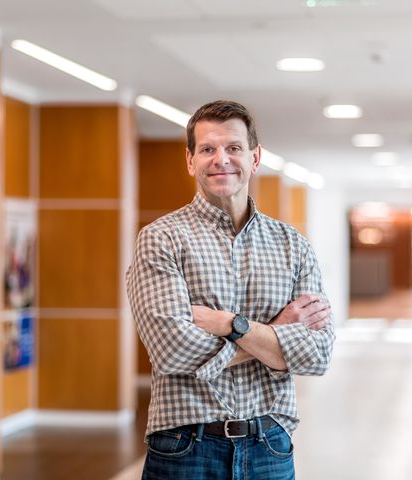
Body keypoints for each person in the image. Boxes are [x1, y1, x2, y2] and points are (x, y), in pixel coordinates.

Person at [126, 100, 335, 479]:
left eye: (233, 148)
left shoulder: (293, 244)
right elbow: (172, 352)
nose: (221, 159)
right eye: (207, 149)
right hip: (185, 448)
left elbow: (317, 353)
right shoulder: (161, 240)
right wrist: (275, 333)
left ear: (255, 158)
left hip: (269, 444)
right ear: (191, 161)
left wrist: (230, 324)